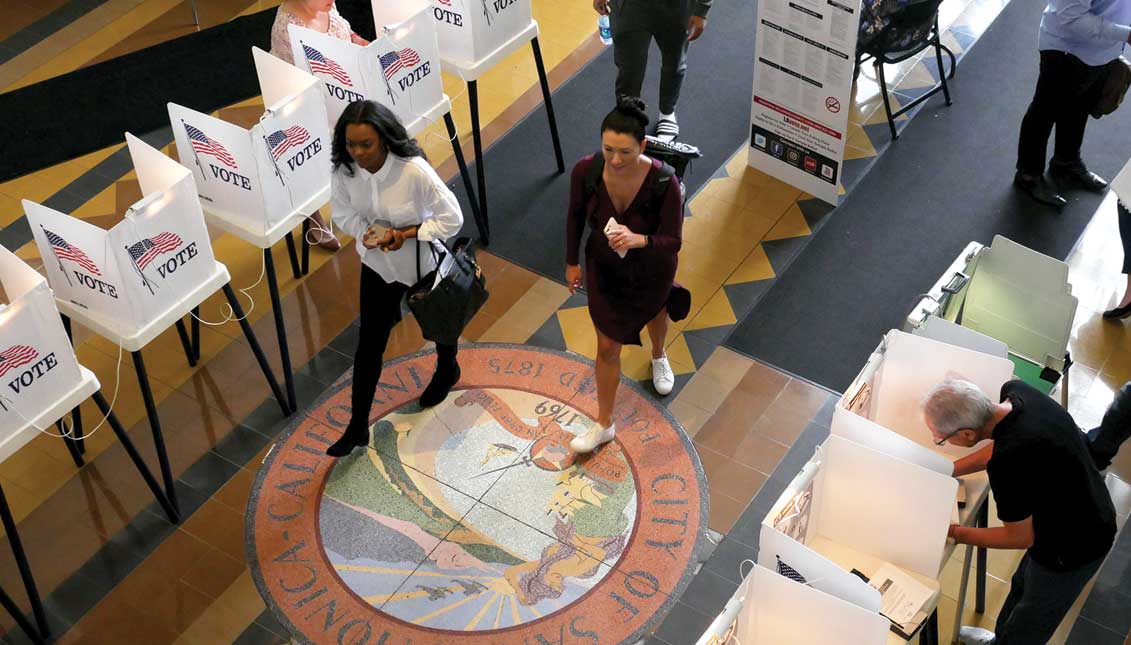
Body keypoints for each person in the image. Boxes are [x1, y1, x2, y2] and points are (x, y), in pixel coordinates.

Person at [922, 378, 1117, 644]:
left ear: (967, 433)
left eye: (941, 439)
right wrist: (949, 470)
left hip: (1074, 544)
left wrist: (953, 532)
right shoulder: (1016, 393)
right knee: (1022, 587)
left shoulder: (1009, 463)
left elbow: (1019, 537)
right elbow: (1002, 445)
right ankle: (999, 640)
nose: (938, 440)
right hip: (1080, 503)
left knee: (1031, 620)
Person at [325, 100, 464, 457]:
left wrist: (407, 234)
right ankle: (357, 425)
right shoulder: (345, 171)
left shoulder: (413, 171)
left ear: (385, 140)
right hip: (377, 268)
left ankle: (448, 368)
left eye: (365, 144)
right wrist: (370, 233)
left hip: (421, 267)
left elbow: (453, 219)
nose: (357, 152)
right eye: (350, 144)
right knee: (369, 344)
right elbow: (342, 213)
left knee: (440, 328)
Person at [565, 97, 685, 454]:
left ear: (643, 146)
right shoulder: (585, 171)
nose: (615, 160)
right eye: (608, 149)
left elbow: (673, 241)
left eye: (625, 152)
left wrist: (639, 239)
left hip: (651, 269)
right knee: (606, 345)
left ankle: (659, 353)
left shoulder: (665, 181)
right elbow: (573, 216)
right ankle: (604, 423)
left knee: (656, 314)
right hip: (604, 268)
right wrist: (572, 262)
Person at [270, 0, 370, 251]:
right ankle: (312, 214)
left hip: (341, 91)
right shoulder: (287, 28)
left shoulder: (324, 6)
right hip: (304, 107)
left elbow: (345, 31)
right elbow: (301, 87)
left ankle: (364, 196)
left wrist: (358, 42)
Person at [1013, 0, 1131, 208]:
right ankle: (1028, 175)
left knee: (1079, 108)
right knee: (1044, 113)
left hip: (1102, 50)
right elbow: (1072, 19)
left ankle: (1066, 161)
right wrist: (1126, 34)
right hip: (1066, 51)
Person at [594, 0, 713, 142]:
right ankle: (628, 116)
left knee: (674, 63)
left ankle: (667, 113)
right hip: (628, 7)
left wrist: (701, 10)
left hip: (677, 8)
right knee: (629, 67)